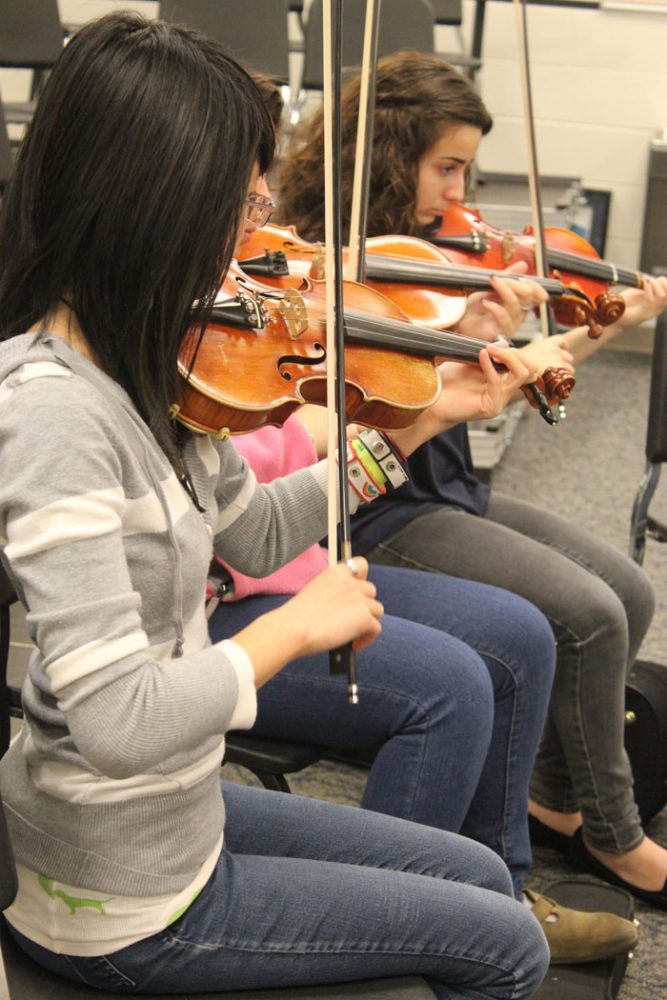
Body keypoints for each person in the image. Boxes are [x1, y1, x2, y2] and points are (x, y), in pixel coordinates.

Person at [0, 13, 557, 998]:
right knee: (507, 947)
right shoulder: (53, 415)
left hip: (173, 823)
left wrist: (416, 426)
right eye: (235, 206)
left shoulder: (141, 368)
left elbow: (253, 527)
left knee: (481, 881)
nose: (254, 238)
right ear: (149, 198)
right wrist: (293, 628)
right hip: (119, 897)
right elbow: (119, 723)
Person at [276, 49, 667, 909]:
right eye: (445, 166)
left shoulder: (435, 261)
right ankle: (615, 835)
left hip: (443, 485)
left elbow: (513, 380)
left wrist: (593, 320)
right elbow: (364, 435)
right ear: (386, 154)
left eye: (466, 169)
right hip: (376, 506)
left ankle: (553, 802)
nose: (459, 196)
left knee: (630, 593)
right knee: (589, 615)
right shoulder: (329, 269)